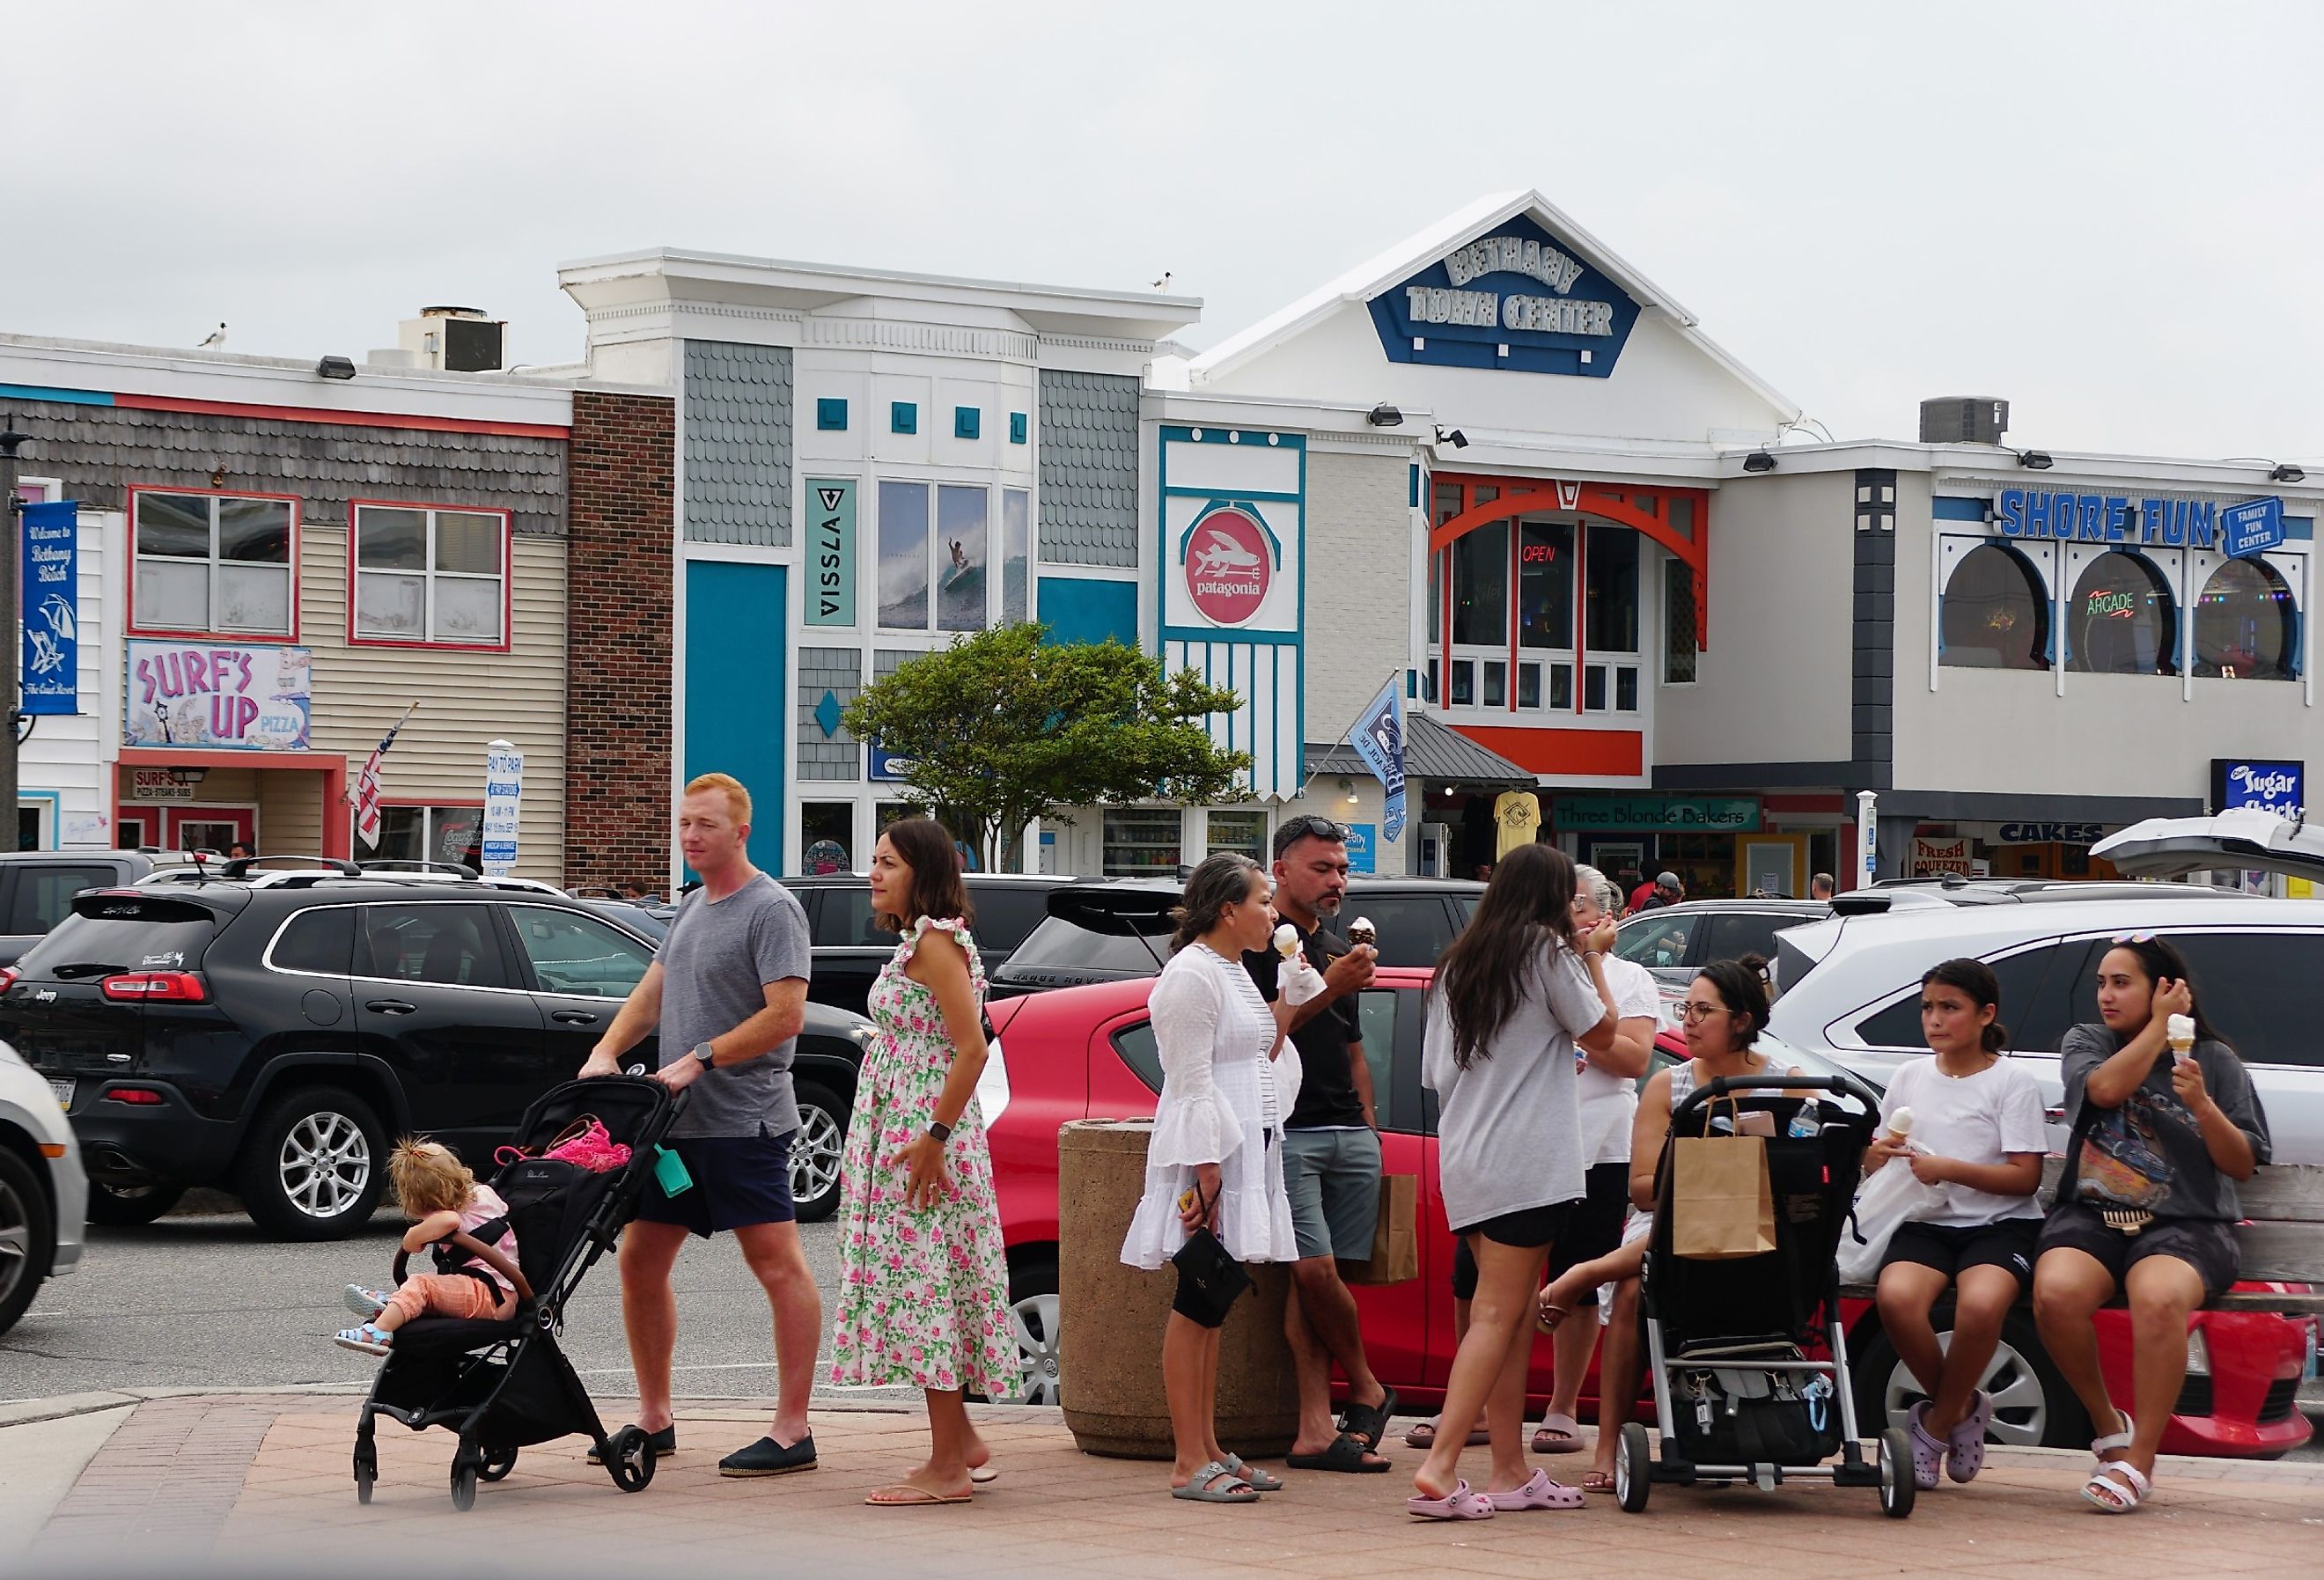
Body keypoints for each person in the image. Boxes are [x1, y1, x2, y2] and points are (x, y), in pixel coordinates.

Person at [578, 772, 820, 1477]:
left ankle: (791, 1429)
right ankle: (655, 1419)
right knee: (639, 1259)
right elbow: (652, 994)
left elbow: (786, 1015)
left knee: (775, 1265)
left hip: (744, 1122)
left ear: (741, 832)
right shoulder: (689, 907)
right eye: (685, 823)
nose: (690, 835)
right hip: (672, 1128)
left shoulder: (770, 909)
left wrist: (701, 1058)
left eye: (705, 824)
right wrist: (605, 1049)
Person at [1408, 844, 1617, 1520]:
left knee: (1514, 1313)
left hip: (1466, 1156)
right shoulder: (1547, 953)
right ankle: (1441, 1465)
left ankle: (1509, 1468)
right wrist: (1592, 957)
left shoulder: (1454, 965)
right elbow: (1605, 1032)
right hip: (1527, 1161)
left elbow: (1435, 1074)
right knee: (1498, 1315)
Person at [1536, 954, 1795, 1494]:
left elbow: (1829, 1162)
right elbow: (1642, 1190)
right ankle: (1608, 1446)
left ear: (1742, 1020)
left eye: (1704, 1010)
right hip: (1670, 1225)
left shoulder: (1787, 1084)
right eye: (1685, 1008)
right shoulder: (1668, 1086)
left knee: (1716, 1216)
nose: (1689, 1020)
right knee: (1632, 1289)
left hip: (1761, 1230)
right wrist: (1711, 1175)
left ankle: (1587, 1273)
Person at [2031, 935, 2269, 1514]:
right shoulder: (2088, 1042)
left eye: (2122, 982)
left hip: (2188, 1221)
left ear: (2162, 987)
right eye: (2102, 983)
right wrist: (2159, 1027)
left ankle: (2140, 1458)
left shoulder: (2214, 1060)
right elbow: (2106, 1090)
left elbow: (2241, 1161)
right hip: (2093, 1214)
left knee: (2158, 1297)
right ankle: (2108, 1423)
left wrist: (2204, 1106)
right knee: (2055, 1294)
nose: (2107, 995)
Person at [827, 818, 1014, 1506]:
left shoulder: (935, 943)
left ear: (923, 871)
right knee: (927, 1278)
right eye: (873, 861)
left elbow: (973, 1046)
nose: (873, 873)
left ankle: (947, 1468)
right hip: (906, 1127)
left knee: (928, 1285)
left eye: (889, 863)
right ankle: (962, 1443)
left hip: (924, 1135)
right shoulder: (920, 940)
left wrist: (934, 1136)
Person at [1121, 853, 1304, 1504]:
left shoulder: (1231, 970)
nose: (1273, 912)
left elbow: (1258, 1051)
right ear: (1228, 908)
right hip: (1213, 1154)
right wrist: (1207, 1173)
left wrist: (1292, 996)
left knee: (1212, 1300)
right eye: (1263, 899)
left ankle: (1208, 1444)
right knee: (1197, 1297)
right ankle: (1186, 1458)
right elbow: (1191, 1077)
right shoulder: (1190, 976)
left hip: (1242, 1146)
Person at [1240, 816, 1394, 1473]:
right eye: (1321, 868)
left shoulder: (1336, 945)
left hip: (1347, 1131)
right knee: (1311, 1270)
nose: (1337, 880)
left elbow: (1352, 1047)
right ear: (1280, 871)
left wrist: (1368, 1123)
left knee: (1318, 1285)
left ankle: (1313, 1427)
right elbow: (1262, 1037)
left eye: (1342, 868)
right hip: (1289, 1130)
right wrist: (1335, 983)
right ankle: (1367, 1386)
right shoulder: (1253, 943)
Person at [1862, 959, 2047, 1490]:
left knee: (1982, 1304)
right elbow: (1876, 1158)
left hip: (1999, 1225)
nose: (1935, 1020)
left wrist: (1950, 1168)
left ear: (1986, 1015)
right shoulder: (1909, 1076)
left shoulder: (2010, 1081)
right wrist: (1878, 1154)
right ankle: (1965, 1405)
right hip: (1925, 1220)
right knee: (1896, 1300)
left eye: (1950, 1008)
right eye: (1927, 1007)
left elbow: (2025, 1178)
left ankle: (1935, 1427)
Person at [1532, 864, 1658, 1457]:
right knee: (1489, 1277)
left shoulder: (1631, 979)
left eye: (1580, 904)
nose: (1572, 915)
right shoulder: (1534, 966)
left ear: (1606, 915)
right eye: (1564, 904)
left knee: (1580, 1278)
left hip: (1601, 1145)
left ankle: (1563, 1404)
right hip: (1531, 1140)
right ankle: (1480, 1404)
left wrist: (1592, 970)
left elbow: (1631, 1059)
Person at [335, 1139, 518, 1354]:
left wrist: (412, 1236)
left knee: (422, 1284)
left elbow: (442, 1225)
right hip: (500, 1292)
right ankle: (396, 1302)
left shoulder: (447, 1217)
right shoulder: (485, 1194)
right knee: (429, 1290)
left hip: (489, 1297)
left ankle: (379, 1331)